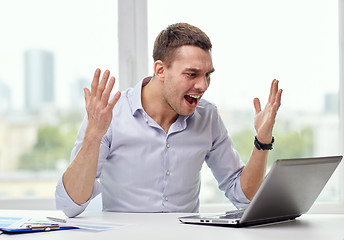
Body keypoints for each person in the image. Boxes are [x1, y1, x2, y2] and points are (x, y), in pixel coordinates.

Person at [55, 23, 282, 218]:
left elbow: (243, 197)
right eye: (192, 74)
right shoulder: (109, 115)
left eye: (207, 75)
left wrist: (262, 141)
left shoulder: (208, 116)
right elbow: (69, 205)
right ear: (160, 70)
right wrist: (93, 136)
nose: (203, 86)